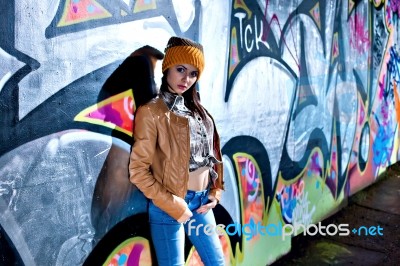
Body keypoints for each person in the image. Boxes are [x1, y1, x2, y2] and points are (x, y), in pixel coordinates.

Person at [128, 36, 225, 266]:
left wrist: (215, 191)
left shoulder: (199, 111)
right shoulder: (151, 112)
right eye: (181, 69)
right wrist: (173, 204)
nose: (186, 79)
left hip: (202, 203)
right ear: (167, 68)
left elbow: (214, 154)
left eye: (193, 73)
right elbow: (138, 170)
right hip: (168, 206)